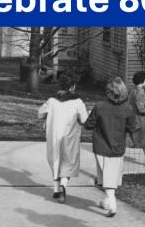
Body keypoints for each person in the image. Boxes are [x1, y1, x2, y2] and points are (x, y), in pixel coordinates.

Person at [85, 77, 138, 217]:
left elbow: (88, 125)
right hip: (118, 147)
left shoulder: (99, 106)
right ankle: (107, 201)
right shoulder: (128, 109)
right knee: (111, 176)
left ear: (108, 92)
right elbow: (133, 127)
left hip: (101, 146)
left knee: (105, 176)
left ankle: (111, 203)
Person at [37, 75, 88, 204]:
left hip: (54, 135)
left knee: (55, 159)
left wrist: (48, 116)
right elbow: (84, 120)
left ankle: (55, 189)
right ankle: (63, 186)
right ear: (73, 87)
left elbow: (40, 113)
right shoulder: (78, 102)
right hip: (70, 136)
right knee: (68, 161)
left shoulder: (52, 101)